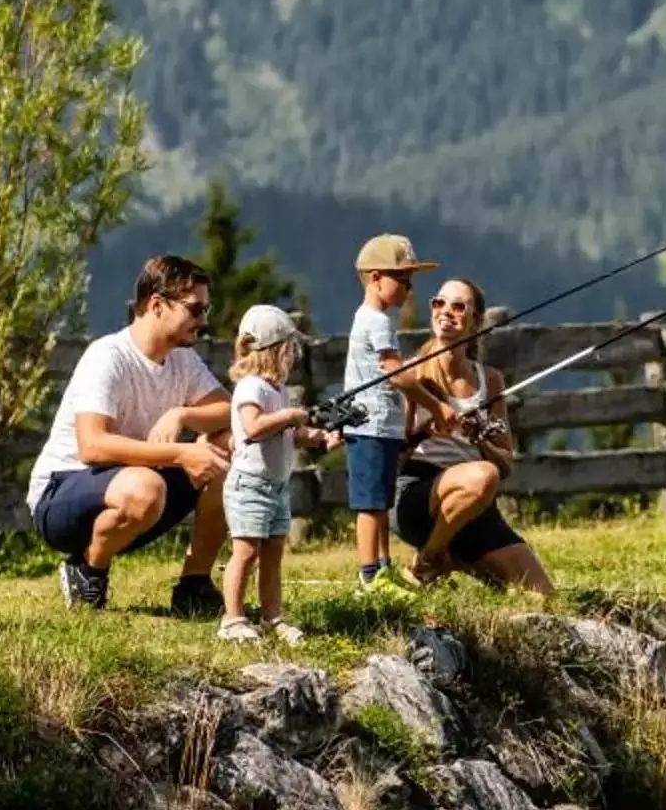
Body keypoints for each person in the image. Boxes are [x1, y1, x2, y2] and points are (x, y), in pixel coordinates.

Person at [27, 253, 231, 616]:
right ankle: (88, 570)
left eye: (205, 310)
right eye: (196, 309)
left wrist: (180, 413)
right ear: (157, 305)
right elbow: (92, 446)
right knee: (146, 487)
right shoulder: (108, 356)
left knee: (228, 447)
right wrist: (181, 454)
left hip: (136, 486)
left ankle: (194, 584)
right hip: (61, 493)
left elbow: (227, 410)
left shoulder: (182, 360)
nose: (202, 321)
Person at [395, 275, 555, 594]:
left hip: (476, 502)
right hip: (417, 495)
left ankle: (456, 558)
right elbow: (393, 457)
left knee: (543, 596)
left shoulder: (491, 380)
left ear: (476, 321)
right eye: (439, 303)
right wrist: (424, 432)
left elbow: (507, 463)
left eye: (458, 306)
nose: (446, 311)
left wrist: (480, 439)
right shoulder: (409, 374)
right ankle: (430, 558)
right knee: (482, 476)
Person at [220, 303, 337, 643]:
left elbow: (288, 433)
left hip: (276, 487)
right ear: (276, 349)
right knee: (246, 552)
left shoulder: (278, 391)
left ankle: (272, 617)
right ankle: (233, 618)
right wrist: (289, 416)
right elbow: (253, 427)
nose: (293, 355)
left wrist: (316, 437)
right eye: (290, 348)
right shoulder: (250, 387)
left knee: (273, 554)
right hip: (250, 486)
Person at [343, 233, 437, 589]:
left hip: (381, 428)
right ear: (375, 277)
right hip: (370, 426)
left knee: (381, 501)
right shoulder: (377, 321)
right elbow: (394, 372)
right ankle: (370, 575)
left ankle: (383, 566)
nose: (408, 289)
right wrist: (436, 407)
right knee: (369, 505)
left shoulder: (374, 317)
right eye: (402, 279)